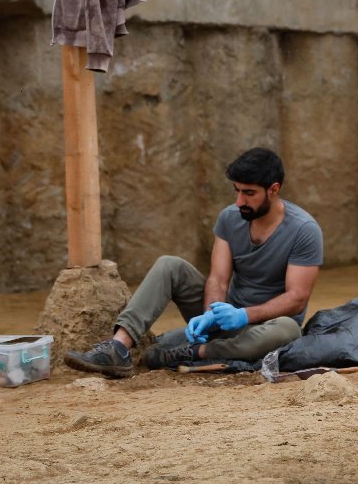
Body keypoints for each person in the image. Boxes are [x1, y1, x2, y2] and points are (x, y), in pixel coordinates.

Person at [64, 147, 323, 378]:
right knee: (170, 265)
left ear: (274, 190)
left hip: (266, 329)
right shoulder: (229, 218)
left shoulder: (304, 230)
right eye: (237, 191)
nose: (239, 201)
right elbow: (218, 279)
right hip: (225, 319)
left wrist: (244, 315)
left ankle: (195, 351)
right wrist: (211, 314)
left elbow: (297, 298)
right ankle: (119, 347)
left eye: (249, 193)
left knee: (288, 330)